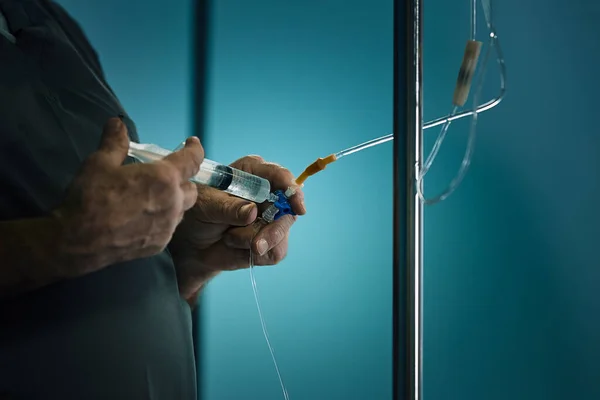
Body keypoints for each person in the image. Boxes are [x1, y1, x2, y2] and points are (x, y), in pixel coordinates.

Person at [0, 1, 305, 399]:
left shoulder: (49, 23)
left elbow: (109, 261)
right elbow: (79, 238)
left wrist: (187, 258)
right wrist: (62, 241)